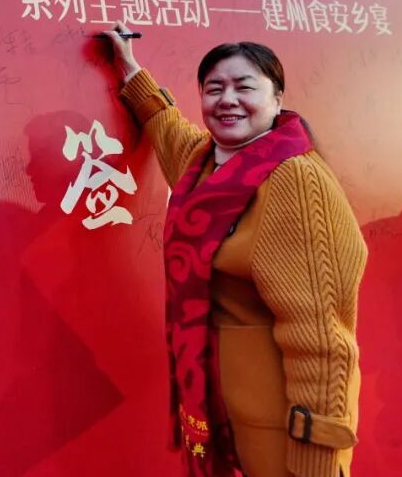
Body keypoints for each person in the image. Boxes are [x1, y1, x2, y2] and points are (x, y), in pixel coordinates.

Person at [102, 24, 367, 477]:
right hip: (222, 403)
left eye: (244, 87)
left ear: (277, 99)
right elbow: (168, 128)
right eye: (214, 88)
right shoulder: (206, 164)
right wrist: (129, 68)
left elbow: (323, 337)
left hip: (281, 423)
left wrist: (318, 452)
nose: (228, 100)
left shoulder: (295, 180)